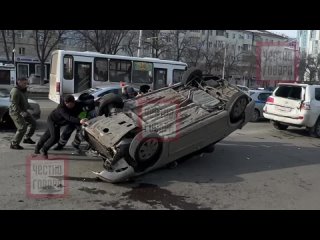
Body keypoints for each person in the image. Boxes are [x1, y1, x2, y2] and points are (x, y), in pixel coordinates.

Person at [9, 77, 36, 150]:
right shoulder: (15, 91)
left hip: (24, 111)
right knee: (22, 127)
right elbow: (14, 105)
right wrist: (21, 112)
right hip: (15, 112)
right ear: (19, 82)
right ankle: (14, 144)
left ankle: (27, 138)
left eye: (26, 83)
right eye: (24, 83)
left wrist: (30, 107)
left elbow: (25, 101)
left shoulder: (23, 90)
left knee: (33, 123)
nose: (26, 85)